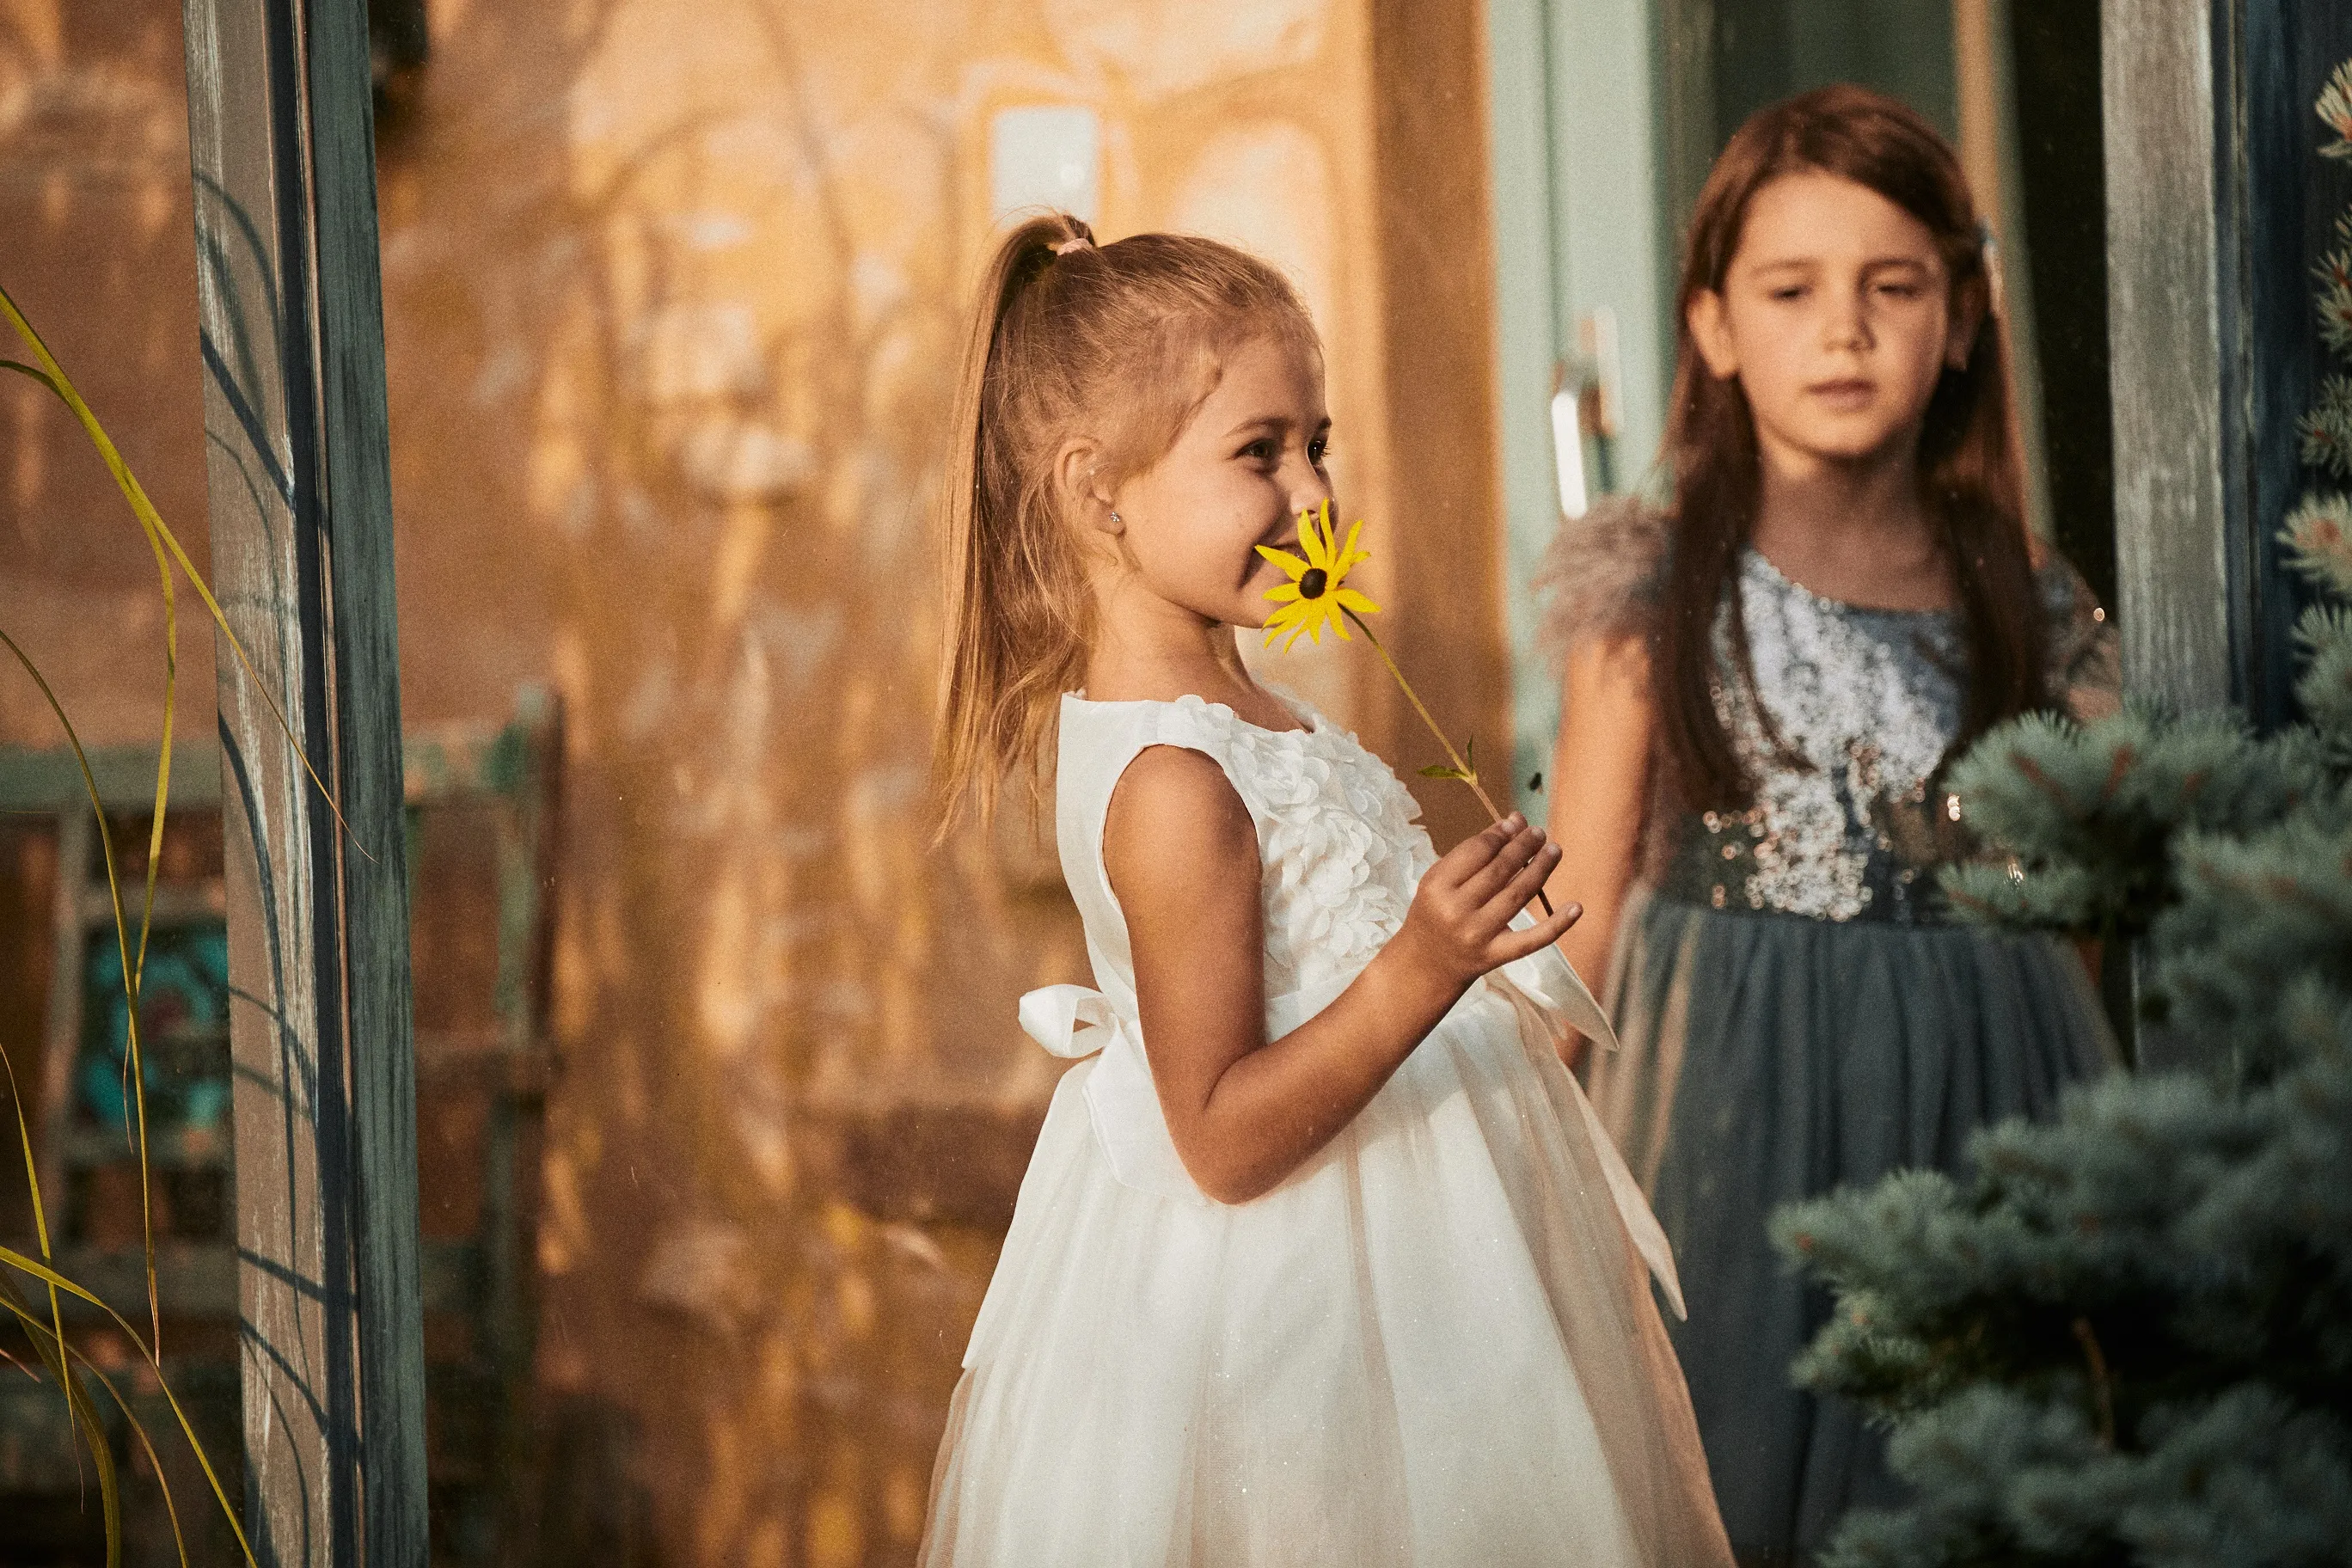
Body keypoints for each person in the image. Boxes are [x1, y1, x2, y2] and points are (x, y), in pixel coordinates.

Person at [919, 212, 1735, 1568]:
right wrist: (1423, 963)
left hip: (1436, 1242)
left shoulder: (1258, 708)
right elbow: (1223, 1140)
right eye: (1259, 452)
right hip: (1304, 1297)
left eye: (1319, 445)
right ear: (1092, 491)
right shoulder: (1172, 781)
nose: (1312, 494)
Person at [1538, 86, 2121, 1565]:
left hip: (1989, 1100)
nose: (1844, 331)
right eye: (1792, 291)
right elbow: (1579, 914)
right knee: (1734, 1472)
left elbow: (2089, 903)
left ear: (1966, 318)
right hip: (1733, 1115)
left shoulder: (2030, 600)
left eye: (1894, 287)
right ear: (1717, 329)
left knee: (1980, 1483)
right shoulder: (1655, 598)